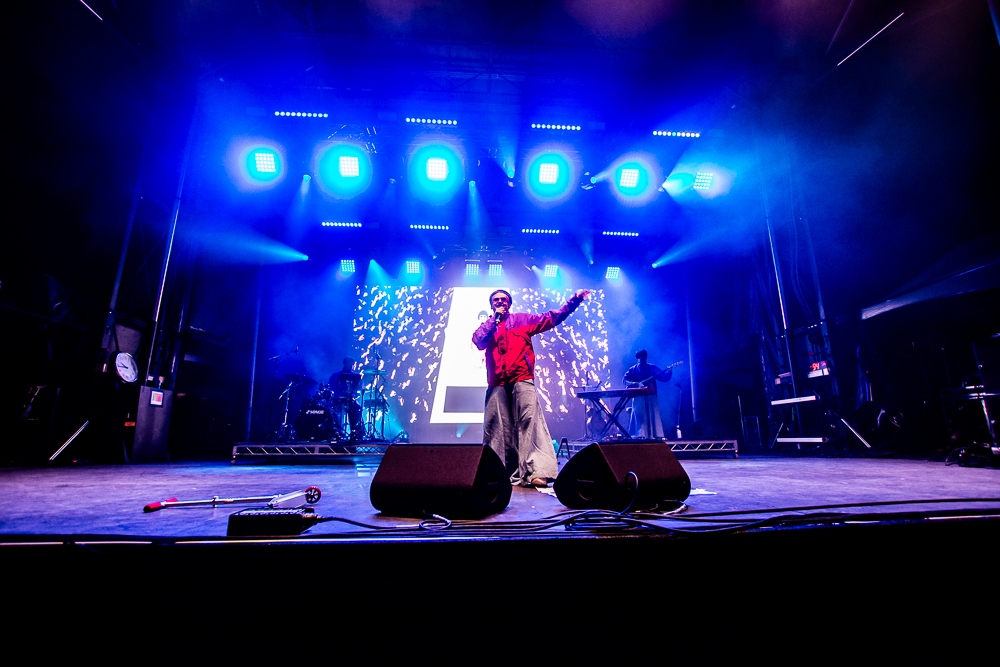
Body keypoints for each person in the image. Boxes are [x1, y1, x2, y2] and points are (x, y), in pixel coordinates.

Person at [473, 288, 590, 487]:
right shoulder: (488, 326)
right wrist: (494, 321)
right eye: (496, 300)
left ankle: (536, 471)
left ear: (509, 303)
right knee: (497, 427)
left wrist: (574, 301)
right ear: (491, 305)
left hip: (521, 377)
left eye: (504, 299)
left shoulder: (522, 320)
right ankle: (498, 472)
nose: (500, 302)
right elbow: (478, 341)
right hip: (496, 382)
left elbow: (552, 318)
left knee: (529, 421)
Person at [623, 350, 674, 439]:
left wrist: (669, 372)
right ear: (637, 358)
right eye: (639, 357)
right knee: (639, 414)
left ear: (645, 358)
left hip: (650, 394)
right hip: (638, 395)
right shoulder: (633, 369)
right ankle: (640, 434)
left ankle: (654, 434)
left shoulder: (652, 368)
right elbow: (624, 381)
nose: (641, 359)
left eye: (643, 357)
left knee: (652, 413)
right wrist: (635, 384)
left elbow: (663, 378)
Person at [329, 357, 363, 440]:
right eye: (349, 363)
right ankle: (337, 431)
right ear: (344, 363)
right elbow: (331, 387)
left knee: (357, 408)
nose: (350, 365)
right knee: (335, 409)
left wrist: (354, 394)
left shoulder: (355, 376)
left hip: (350, 399)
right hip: (338, 398)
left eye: (352, 363)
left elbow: (358, 388)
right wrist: (340, 393)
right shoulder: (336, 375)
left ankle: (355, 430)